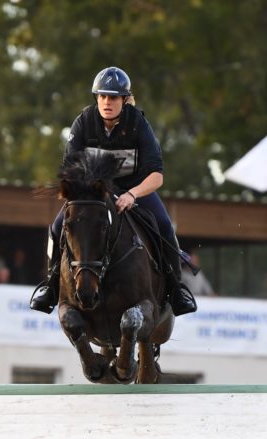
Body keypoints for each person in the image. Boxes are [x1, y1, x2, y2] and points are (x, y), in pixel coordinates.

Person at [29, 66, 197, 316]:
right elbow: (70, 170)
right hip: (93, 193)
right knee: (56, 227)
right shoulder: (84, 122)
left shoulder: (138, 123)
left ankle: (175, 288)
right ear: (96, 98)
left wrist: (132, 195)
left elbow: (157, 176)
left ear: (124, 100)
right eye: (102, 96)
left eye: (113, 97)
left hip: (134, 191)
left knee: (163, 224)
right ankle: (52, 285)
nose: (107, 102)